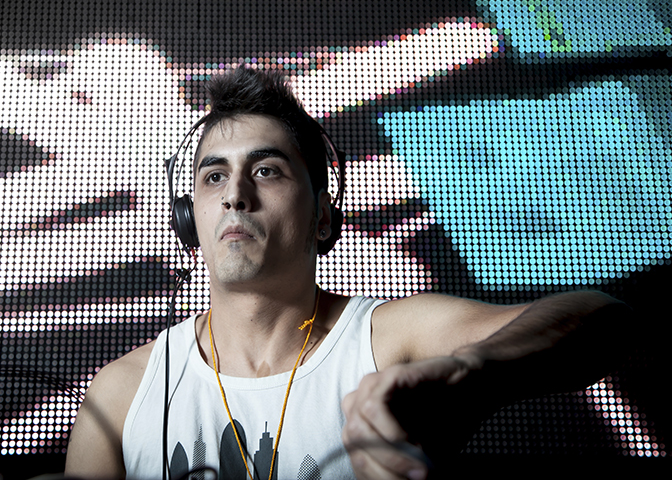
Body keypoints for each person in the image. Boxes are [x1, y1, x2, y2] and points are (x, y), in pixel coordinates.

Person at [64, 67, 630, 479]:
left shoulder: (387, 340)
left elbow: (603, 318)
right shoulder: (120, 396)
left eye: (266, 170)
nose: (235, 194)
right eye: (213, 177)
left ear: (323, 217)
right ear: (189, 218)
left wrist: (470, 372)